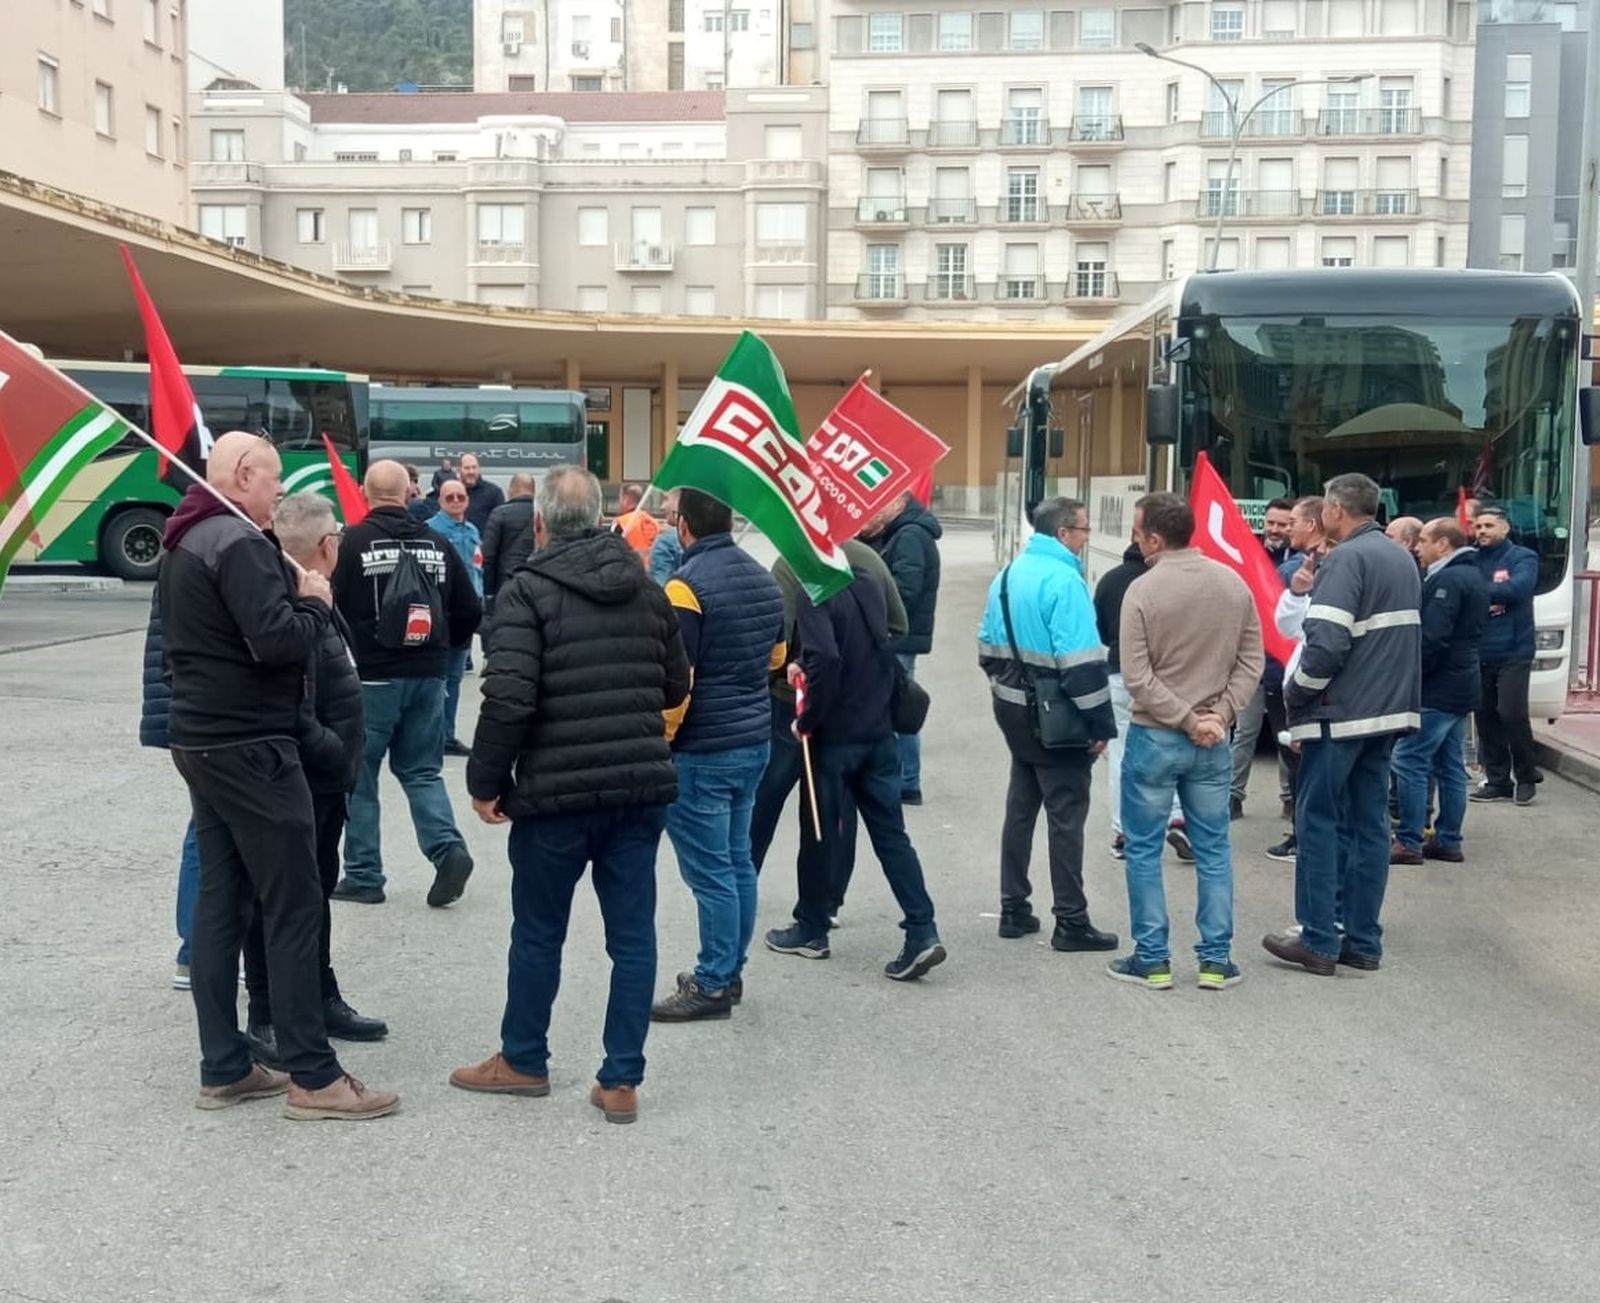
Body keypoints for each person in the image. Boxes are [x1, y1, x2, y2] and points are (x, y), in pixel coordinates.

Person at [159, 432, 396, 1120]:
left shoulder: (186, 538)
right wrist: (314, 600)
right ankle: (313, 1075)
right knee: (292, 905)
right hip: (254, 743)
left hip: (205, 739)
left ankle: (225, 1062)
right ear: (240, 473)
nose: (278, 493)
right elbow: (276, 642)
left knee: (222, 903)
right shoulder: (235, 540)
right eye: (272, 479)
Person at [450, 466, 690, 1126]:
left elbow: (510, 699)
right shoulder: (647, 588)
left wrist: (485, 784)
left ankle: (524, 1057)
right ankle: (621, 1079)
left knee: (538, 931)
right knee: (633, 936)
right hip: (639, 788)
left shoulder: (526, 593)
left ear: (540, 523)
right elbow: (675, 686)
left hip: (556, 794)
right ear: (605, 518)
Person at [239, 493, 387, 1064]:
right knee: (276, 901)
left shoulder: (317, 594)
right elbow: (286, 704)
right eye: (341, 538)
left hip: (330, 782)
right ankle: (267, 1013)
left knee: (317, 893)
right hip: (302, 777)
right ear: (328, 545)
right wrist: (331, 752)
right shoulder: (289, 601)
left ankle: (321, 994)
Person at [1264, 473, 1421, 977]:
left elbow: (1326, 644)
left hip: (1339, 712)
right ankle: (1362, 940)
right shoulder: (1400, 556)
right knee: (1370, 825)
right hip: (1387, 711)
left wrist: (1296, 693)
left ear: (1334, 509)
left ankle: (1318, 940)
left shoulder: (1346, 559)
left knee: (1318, 822)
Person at [764, 564, 948, 981]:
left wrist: (807, 719)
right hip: (879, 730)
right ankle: (922, 928)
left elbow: (828, 655)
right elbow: (870, 645)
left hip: (836, 737)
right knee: (892, 836)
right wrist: (803, 666)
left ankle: (812, 928)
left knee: (819, 832)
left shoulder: (814, 586)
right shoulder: (865, 578)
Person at [1109, 493, 1263, 991]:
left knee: (1143, 849)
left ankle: (1151, 958)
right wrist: (1215, 717)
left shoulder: (1142, 590)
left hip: (1156, 735)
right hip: (1213, 741)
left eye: (1137, 532)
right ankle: (1216, 961)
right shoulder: (1233, 583)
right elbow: (1251, 663)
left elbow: (1136, 675)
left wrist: (1183, 717)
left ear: (1154, 538)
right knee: (1214, 848)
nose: (1136, 540)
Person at [651, 489, 786, 1022]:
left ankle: (710, 982)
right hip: (753, 739)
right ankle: (729, 971)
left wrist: (662, 737)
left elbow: (679, 679)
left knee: (710, 874)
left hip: (702, 746)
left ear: (684, 526)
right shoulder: (763, 575)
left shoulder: (685, 586)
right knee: (737, 864)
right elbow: (777, 656)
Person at [331, 460, 481, 907]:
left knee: (359, 775)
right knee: (420, 769)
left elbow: (327, 603)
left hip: (372, 676)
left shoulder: (351, 543)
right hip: (429, 675)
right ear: (410, 494)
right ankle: (447, 849)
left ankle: (363, 874)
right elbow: (470, 609)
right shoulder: (436, 542)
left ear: (365, 492)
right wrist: (442, 647)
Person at [978, 497, 1119, 951]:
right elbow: (1081, 664)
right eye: (1083, 531)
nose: (1085, 539)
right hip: (1058, 719)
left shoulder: (1007, 575)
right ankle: (1071, 921)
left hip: (1013, 710)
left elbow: (986, 649)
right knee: (1066, 816)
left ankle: (1013, 908)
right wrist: (1100, 724)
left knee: (1021, 809)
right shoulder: (1065, 580)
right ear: (1064, 534)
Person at [749, 539, 907, 918]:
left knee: (767, 794)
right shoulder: (869, 558)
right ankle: (829, 899)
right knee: (835, 805)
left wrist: (789, 672)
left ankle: (742, 880)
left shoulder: (791, 563)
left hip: (795, 698)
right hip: (852, 706)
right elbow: (899, 625)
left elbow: (777, 637)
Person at [1391, 518, 1489, 865]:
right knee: (1449, 765)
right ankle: (1448, 839)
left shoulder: (1448, 579)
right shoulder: (1472, 573)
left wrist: (1410, 676)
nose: (1417, 547)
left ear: (1443, 544)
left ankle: (1409, 840)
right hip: (1462, 682)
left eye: (1424, 541)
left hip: (1439, 686)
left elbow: (1434, 637)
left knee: (1408, 759)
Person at [1093, 538, 1186, 861]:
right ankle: (1176, 816)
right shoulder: (1169, 583)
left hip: (1120, 674)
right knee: (1170, 746)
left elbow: (1102, 633)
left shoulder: (1110, 580)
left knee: (1120, 753)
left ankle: (1123, 832)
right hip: (1166, 677)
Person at [863, 489, 942, 805]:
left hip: (900, 636)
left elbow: (904, 589)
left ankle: (906, 781)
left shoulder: (909, 536)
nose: (872, 513)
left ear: (897, 503)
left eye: (877, 506)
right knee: (897, 705)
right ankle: (903, 779)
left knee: (900, 708)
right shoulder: (898, 532)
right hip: (902, 635)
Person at [139, 588, 201, 991]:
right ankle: (198, 952)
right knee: (212, 832)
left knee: (206, 830)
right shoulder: (217, 547)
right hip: (203, 716)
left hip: (182, 712)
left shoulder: (186, 544)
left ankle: (193, 954)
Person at [1263, 496, 1329, 864]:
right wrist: (1298, 592)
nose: (1286, 529)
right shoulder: (1303, 567)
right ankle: (1303, 835)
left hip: (1313, 692)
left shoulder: (1334, 564)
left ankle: (1309, 841)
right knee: (1297, 764)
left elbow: (1326, 642)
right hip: (1293, 683)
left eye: (1293, 522)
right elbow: (1288, 626)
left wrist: (1302, 689)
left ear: (1313, 525)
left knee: (1308, 769)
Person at [1227, 497, 1298, 820]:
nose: (1275, 529)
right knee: (1245, 731)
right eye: (1271, 523)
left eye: (1283, 524)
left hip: (1286, 662)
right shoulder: (1247, 556)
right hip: (1251, 660)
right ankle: (1232, 795)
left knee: (1286, 734)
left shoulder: (1303, 562)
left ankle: (1290, 797)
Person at [1470, 505, 1542, 804]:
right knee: (1485, 717)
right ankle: (1498, 781)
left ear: (1504, 528)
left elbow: (1518, 589)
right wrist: (1490, 593)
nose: (1482, 531)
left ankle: (1526, 775)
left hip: (1514, 649)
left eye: (1488, 525)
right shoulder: (1471, 559)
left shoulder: (1523, 557)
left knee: (1511, 713)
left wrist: (1478, 592)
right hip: (1479, 649)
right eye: (1478, 526)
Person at [427, 479, 484, 755]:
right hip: (441, 616)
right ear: (439, 500)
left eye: (460, 496)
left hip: (465, 616)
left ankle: (447, 735)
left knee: (454, 680)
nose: (456, 501)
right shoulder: (430, 530)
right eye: (449, 497)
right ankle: (432, 736)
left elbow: (478, 569)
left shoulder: (472, 530)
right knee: (436, 681)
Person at [481, 472, 537, 617]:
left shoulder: (499, 514)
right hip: (537, 584)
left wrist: (488, 592)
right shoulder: (543, 515)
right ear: (534, 491)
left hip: (505, 584)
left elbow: (487, 556)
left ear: (511, 489)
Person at [457, 452, 505, 533]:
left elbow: (502, 524)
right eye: (467, 468)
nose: (471, 472)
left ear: (479, 468)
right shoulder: (451, 493)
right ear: (459, 469)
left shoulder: (494, 493)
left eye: (474, 467)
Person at [613, 482, 660, 561]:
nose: (619, 503)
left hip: (629, 568)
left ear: (626, 500)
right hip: (651, 570)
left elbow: (613, 551)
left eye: (620, 498)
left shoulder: (621, 523)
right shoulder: (654, 523)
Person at [647, 488, 684, 583]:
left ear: (681, 501)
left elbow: (660, 592)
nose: (662, 507)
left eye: (666, 499)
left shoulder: (665, 543)